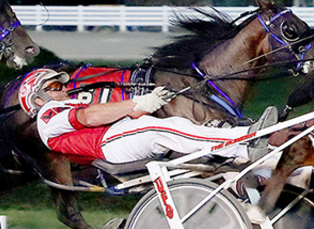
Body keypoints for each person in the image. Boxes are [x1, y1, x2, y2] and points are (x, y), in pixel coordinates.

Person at [20, 68, 277, 168]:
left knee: (176, 125)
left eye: (61, 85)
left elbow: (131, 113)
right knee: (160, 129)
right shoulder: (46, 116)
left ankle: (243, 148)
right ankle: (247, 137)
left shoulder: (65, 106)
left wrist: (155, 99)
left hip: (120, 136)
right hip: (109, 145)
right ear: (38, 100)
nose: (64, 89)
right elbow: (88, 117)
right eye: (55, 87)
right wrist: (137, 103)